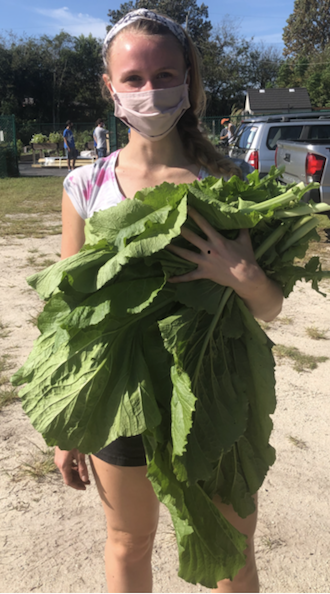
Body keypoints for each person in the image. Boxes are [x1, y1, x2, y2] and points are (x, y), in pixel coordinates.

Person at [55, 9, 283, 594]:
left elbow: (268, 309)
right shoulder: (85, 186)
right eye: (133, 79)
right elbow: (68, 314)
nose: (150, 91)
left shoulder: (230, 182)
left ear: (190, 81)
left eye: (165, 75)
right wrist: (68, 424)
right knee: (129, 544)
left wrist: (245, 276)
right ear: (110, 88)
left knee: (230, 545)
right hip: (120, 387)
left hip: (217, 382)